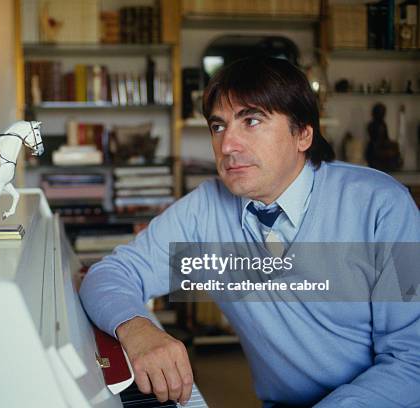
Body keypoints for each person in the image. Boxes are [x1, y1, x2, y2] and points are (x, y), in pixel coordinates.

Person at [79, 57, 420, 407]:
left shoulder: (382, 206)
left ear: (303, 133)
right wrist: (138, 330)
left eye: (252, 121)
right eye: (217, 126)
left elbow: (412, 361)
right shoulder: (206, 210)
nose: (227, 146)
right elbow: (109, 273)